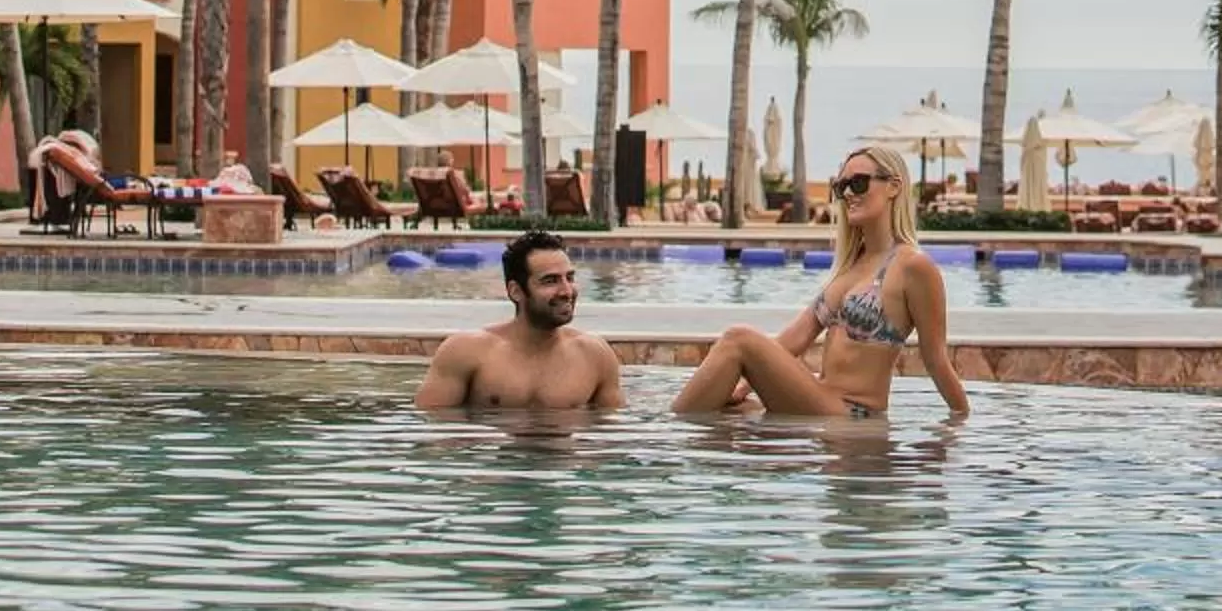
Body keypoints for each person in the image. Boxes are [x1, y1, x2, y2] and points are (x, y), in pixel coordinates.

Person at [672, 142, 969, 423]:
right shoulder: (851, 265)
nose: (848, 193)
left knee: (738, 338)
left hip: (852, 413)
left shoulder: (913, 266)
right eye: (841, 186)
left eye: (859, 183)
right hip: (822, 398)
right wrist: (744, 386)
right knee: (725, 408)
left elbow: (936, 359)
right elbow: (796, 337)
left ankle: (669, 431)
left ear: (894, 186)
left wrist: (961, 421)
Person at [415, 227, 625, 414]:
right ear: (516, 291)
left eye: (569, 278)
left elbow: (610, 432)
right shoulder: (466, 352)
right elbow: (434, 428)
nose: (566, 291)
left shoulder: (595, 356)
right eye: (550, 281)